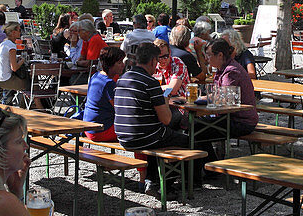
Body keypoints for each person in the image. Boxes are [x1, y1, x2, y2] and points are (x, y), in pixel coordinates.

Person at [115, 42, 193, 193]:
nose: (157, 64)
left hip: (123, 136)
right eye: (157, 61)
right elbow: (166, 119)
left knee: (159, 134)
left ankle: (152, 180)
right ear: (152, 61)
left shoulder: (123, 78)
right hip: (143, 137)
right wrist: (164, 99)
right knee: (188, 139)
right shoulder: (150, 83)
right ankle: (174, 184)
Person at [206, 38, 259, 137]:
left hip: (241, 122)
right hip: (230, 118)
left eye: (209, 55)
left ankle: (208, 153)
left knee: (197, 128)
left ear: (220, 55)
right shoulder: (223, 68)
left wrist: (203, 98)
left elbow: (224, 98)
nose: (206, 58)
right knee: (196, 126)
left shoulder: (231, 71)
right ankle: (210, 152)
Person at [84, 47, 127, 142]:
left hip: (88, 127)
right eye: (119, 63)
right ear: (110, 65)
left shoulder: (96, 76)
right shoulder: (108, 83)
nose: (123, 65)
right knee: (137, 131)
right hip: (101, 131)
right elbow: (119, 110)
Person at [0, 22, 30, 103]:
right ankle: (24, 108)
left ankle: (8, 102)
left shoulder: (4, 43)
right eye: (19, 30)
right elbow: (14, 68)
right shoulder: (11, 46)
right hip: (4, 80)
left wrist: (16, 58)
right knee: (30, 84)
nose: (21, 32)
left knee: (24, 82)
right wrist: (22, 60)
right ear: (13, 32)